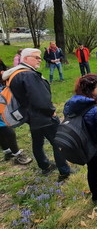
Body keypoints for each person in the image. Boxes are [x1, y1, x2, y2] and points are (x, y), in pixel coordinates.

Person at [2, 48, 71, 181]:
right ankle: (64, 172)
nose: (40, 59)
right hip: (43, 116)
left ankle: (44, 166)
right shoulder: (28, 75)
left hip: (30, 116)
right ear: (26, 58)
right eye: (36, 57)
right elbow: (40, 99)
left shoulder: (16, 73)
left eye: (40, 57)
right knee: (58, 142)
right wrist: (51, 112)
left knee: (37, 142)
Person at [63, 74, 97, 202]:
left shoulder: (69, 105)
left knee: (92, 170)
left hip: (86, 148)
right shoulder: (95, 110)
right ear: (90, 91)